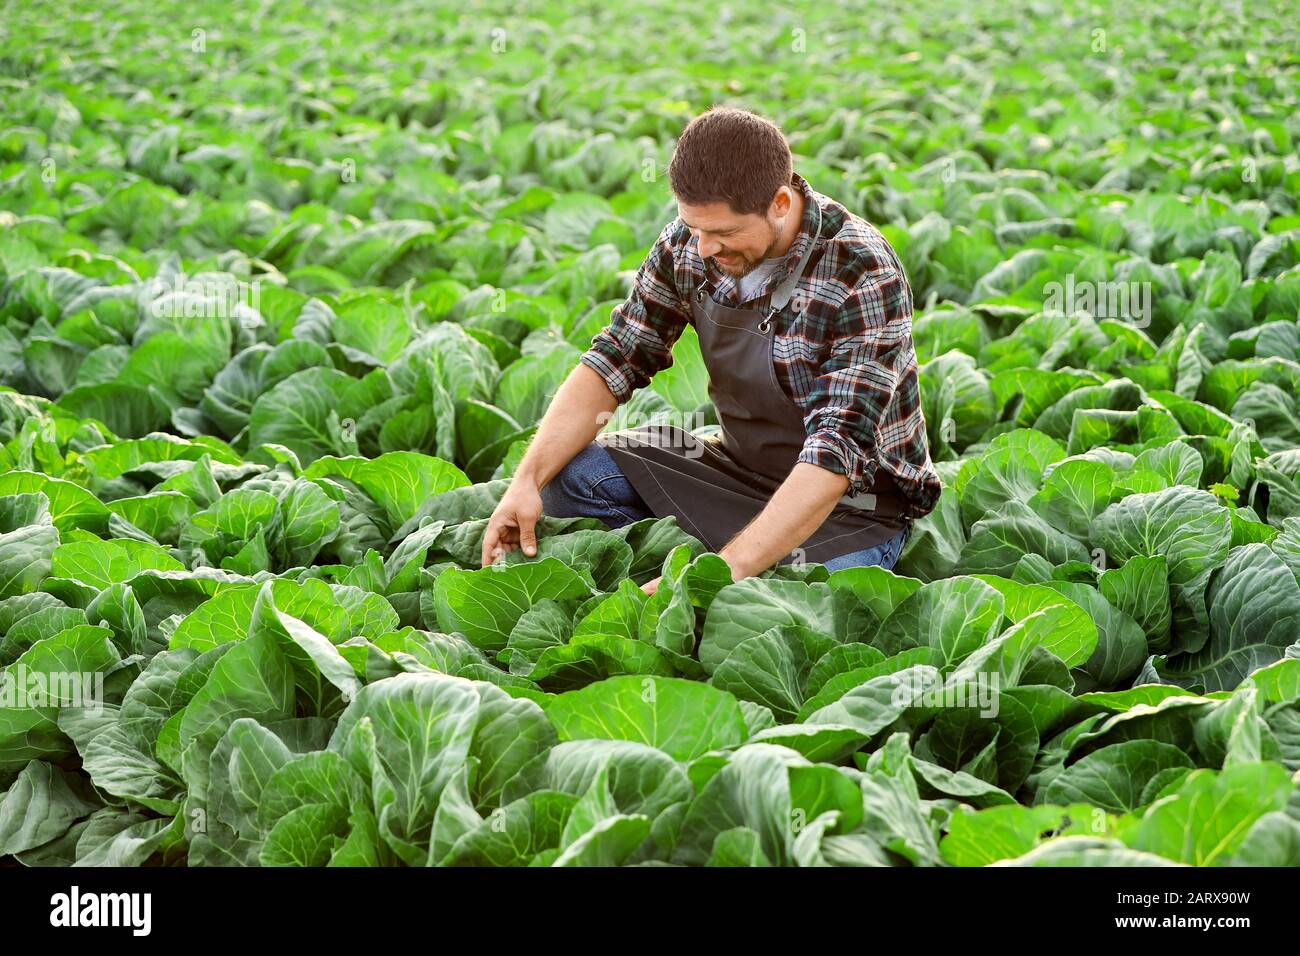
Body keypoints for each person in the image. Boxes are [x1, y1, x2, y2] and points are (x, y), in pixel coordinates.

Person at [481, 106, 940, 594]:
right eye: (695, 229)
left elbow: (836, 451)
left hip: (849, 507)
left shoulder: (860, 270)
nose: (702, 249)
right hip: (735, 473)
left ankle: (732, 562)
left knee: (808, 601)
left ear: (780, 203)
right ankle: (733, 556)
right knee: (571, 476)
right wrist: (525, 481)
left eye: (722, 234)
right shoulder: (690, 241)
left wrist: (712, 579)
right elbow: (619, 355)